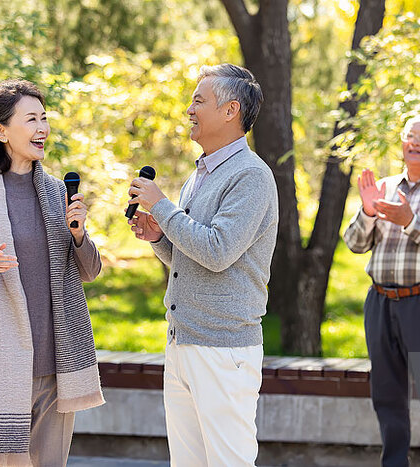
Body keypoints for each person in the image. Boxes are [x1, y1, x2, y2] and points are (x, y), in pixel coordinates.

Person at [0, 79, 104, 467]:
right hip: (3, 367)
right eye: (31, 119)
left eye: (44, 119)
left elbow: (91, 271)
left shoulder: (54, 192)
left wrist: (78, 234)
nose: (42, 128)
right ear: (2, 131)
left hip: (57, 364)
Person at [127, 63, 278, 466]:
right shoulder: (201, 173)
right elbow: (190, 258)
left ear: (231, 111)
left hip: (223, 350)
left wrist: (161, 205)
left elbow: (217, 250)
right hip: (182, 343)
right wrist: (160, 235)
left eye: (198, 100)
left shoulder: (251, 176)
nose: (189, 109)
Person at [343, 114, 420, 467]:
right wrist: (368, 212)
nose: (413, 142)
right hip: (380, 303)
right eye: (409, 135)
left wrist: (409, 222)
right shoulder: (383, 186)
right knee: (387, 397)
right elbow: (353, 243)